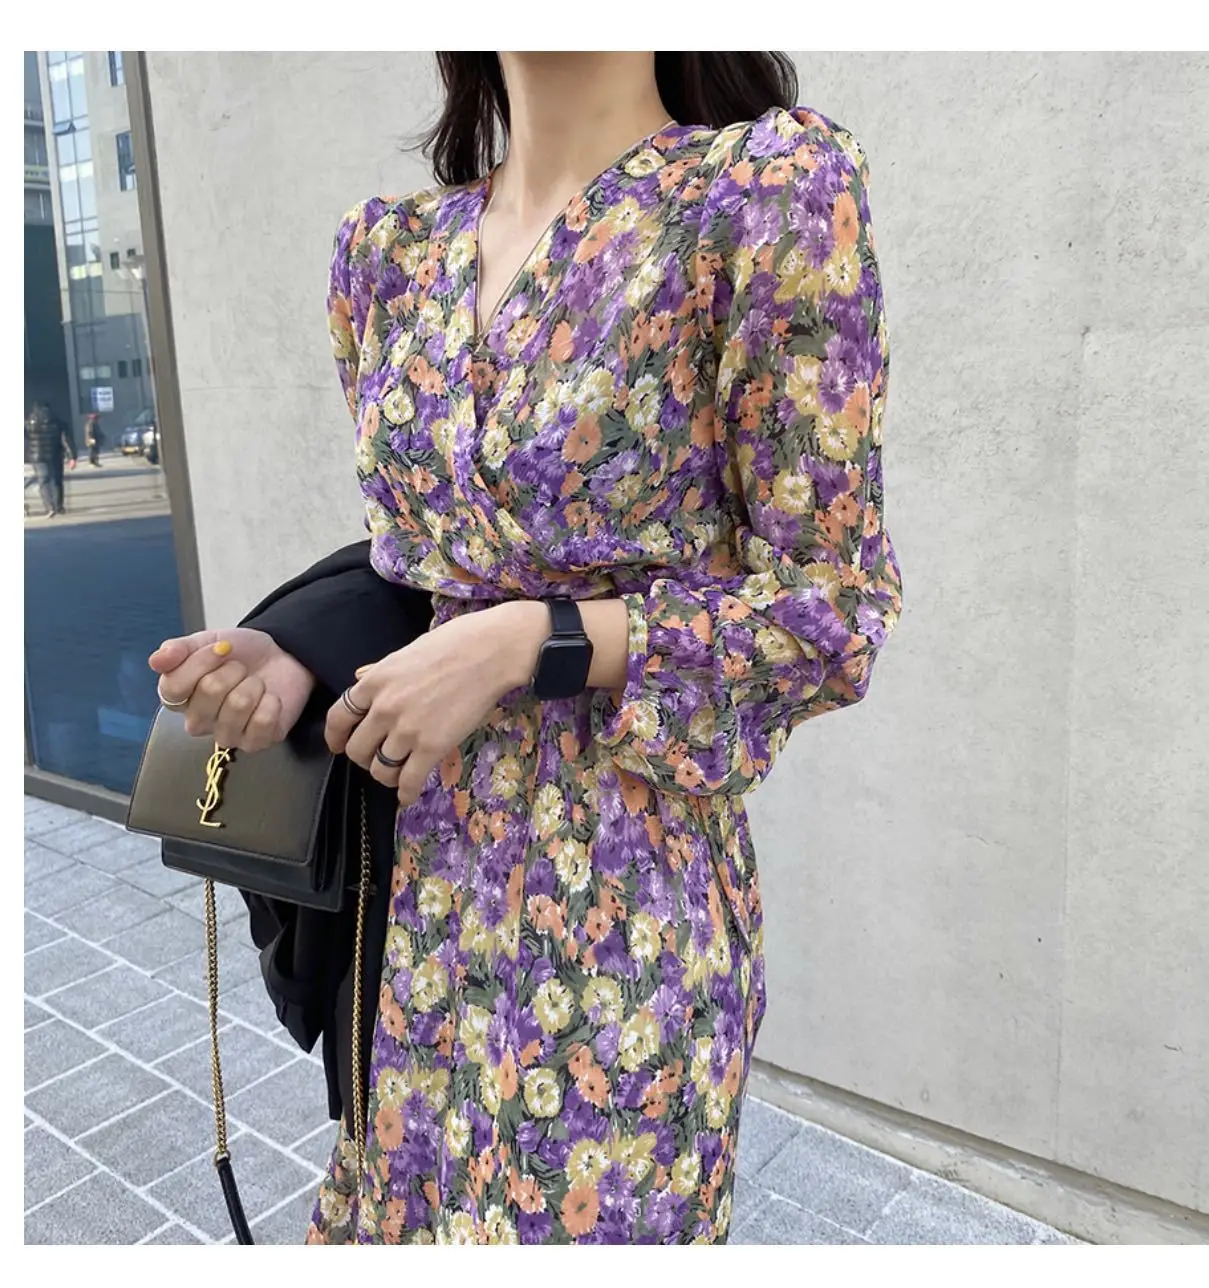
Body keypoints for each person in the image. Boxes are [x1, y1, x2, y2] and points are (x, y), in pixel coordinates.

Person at [147, 50, 902, 1245]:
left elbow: (834, 608)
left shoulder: (761, 196)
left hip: (625, 920)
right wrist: (298, 647)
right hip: (415, 900)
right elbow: (429, 563)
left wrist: (529, 644)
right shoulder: (389, 255)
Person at [24, 402, 76, 517]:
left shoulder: (29, 423)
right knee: (56, 480)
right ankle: (58, 506)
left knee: (43, 480)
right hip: (55, 455)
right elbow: (66, 440)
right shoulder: (58, 422)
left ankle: (49, 507)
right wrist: (72, 457)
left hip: (37, 456)